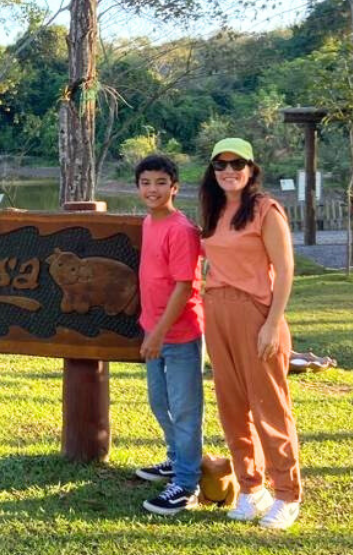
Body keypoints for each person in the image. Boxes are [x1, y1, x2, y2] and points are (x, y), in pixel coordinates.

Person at [199, 138, 302, 531]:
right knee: (232, 408)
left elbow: (286, 268)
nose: (229, 171)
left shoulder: (265, 209)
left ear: (251, 168)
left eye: (237, 163)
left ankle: (286, 495)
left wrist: (273, 323)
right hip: (218, 312)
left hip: (257, 314)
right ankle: (250, 487)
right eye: (221, 165)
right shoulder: (214, 209)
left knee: (269, 409)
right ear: (212, 170)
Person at [132, 155, 205, 516]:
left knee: (186, 410)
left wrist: (159, 333)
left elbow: (185, 286)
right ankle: (177, 459)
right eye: (146, 182)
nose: (153, 189)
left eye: (161, 182)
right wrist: (151, 328)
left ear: (174, 187)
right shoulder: (148, 222)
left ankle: (187, 484)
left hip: (180, 335)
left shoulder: (182, 229)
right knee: (160, 403)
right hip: (154, 329)